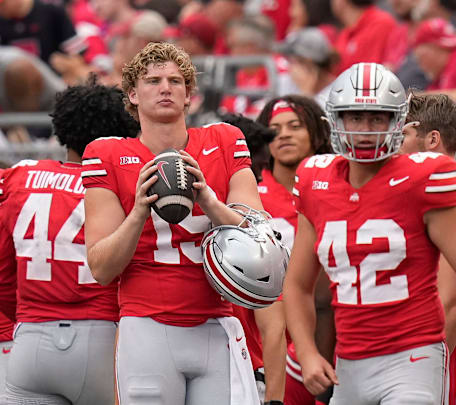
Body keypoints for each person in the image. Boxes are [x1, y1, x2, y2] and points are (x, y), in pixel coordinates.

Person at [282, 62, 456, 405]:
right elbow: (297, 284)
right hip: (348, 360)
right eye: (355, 117)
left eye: (377, 118)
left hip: (413, 355)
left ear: (396, 122)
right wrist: (306, 352)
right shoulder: (315, 180)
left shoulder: (423, 177)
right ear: (336, 120)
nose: (366, 129)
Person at [81, 42, 262, 405]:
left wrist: (210, 201)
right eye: (153, 81)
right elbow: (101, 268)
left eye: (175, 81)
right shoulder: (108, 154)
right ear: (132, 94)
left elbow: (259, 240)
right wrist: (137, 213)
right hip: (147, 327)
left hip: (217, 322)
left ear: (188, 95)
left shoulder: (224, 141)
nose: (165, 88)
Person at [0, 77, 139, 404]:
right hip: (103, 336)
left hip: (31, 340)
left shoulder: (20, 176)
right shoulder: (122, 184)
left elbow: (3, 272)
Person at [398, 93, 456, 405]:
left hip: (447, 351)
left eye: (403, 136)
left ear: (432, 139)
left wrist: (430, 368)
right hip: (413, 349)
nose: (394, 146)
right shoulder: (413, 189)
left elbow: (453, 299)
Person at [255, 95, 335, 405]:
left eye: (295, 126)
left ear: (317, 133)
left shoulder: (341, 187)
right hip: (270, 349)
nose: (284, 134)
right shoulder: (249, 196)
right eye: (274, 129)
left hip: (337, 340)